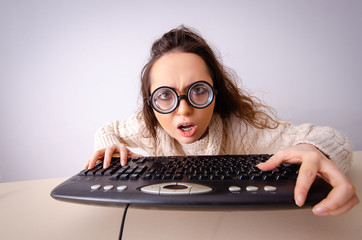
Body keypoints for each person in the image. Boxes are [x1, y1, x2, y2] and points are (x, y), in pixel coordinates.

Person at [85, 26, 359, 216]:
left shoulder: (244, 128)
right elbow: (108, 130)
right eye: (165, 96)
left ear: (216, 94)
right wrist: (110, 144)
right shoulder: (150, 128)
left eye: (199, 91)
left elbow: (333, 138)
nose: (183, 110)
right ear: (151, 104)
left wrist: (313, 150)